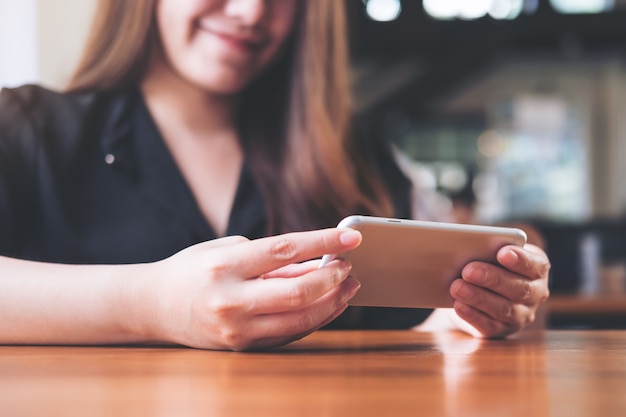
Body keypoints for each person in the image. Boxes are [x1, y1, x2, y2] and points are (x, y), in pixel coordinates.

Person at [0, 0, 550, 351]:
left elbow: (410, 328)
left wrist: (471, 313)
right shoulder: (26, 130)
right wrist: (150, 303)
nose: (251, 11)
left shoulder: (353, 154)